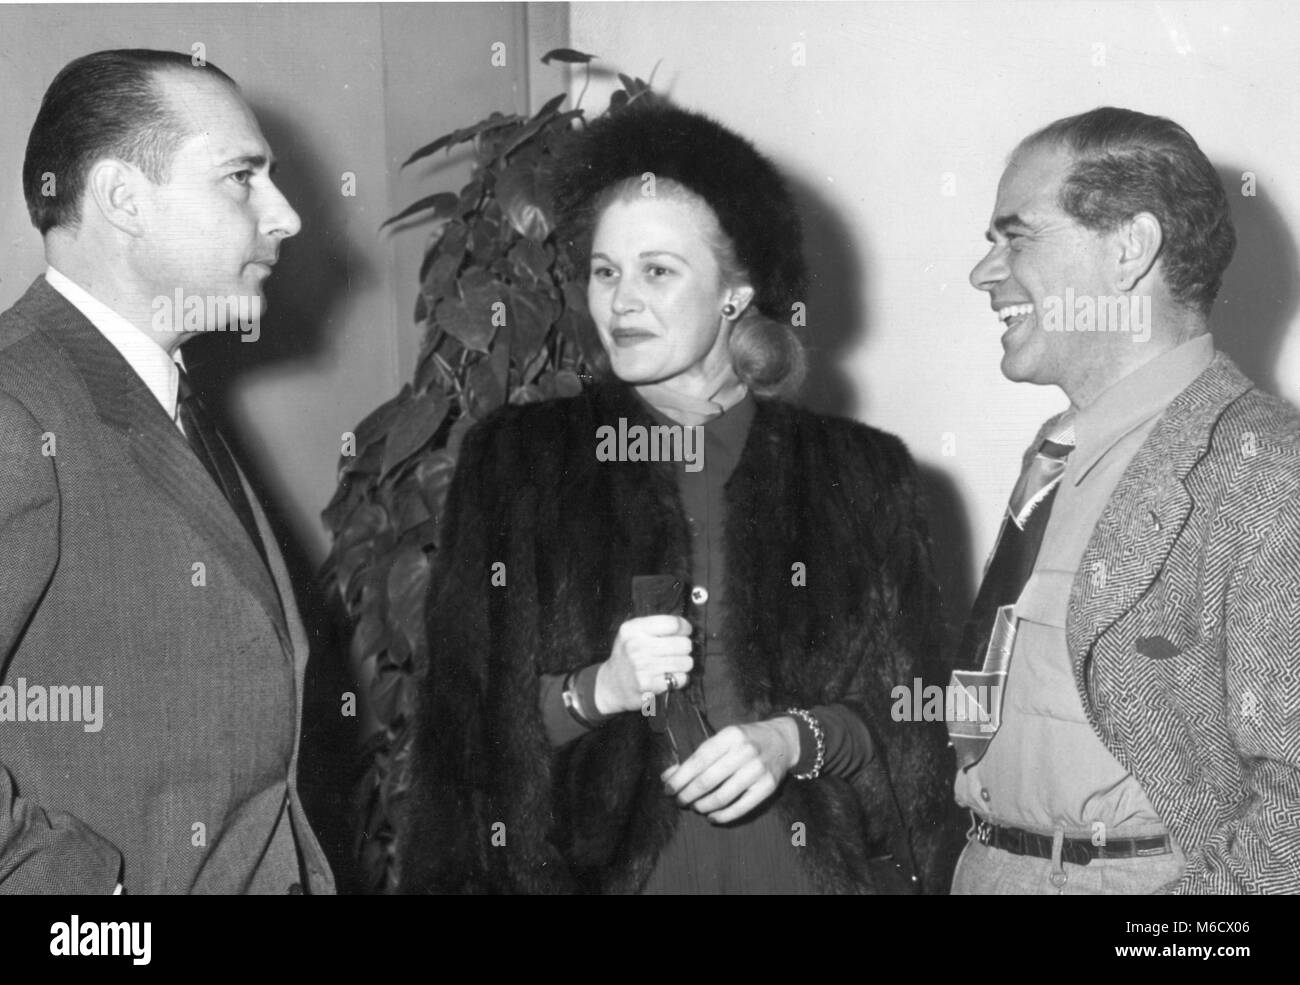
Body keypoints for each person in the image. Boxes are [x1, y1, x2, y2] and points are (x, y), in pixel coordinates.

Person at [399, 99, 959, 894]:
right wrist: (598, 690)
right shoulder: (518, 465)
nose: (620, 301)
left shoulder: (865, 477)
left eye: (657, 270)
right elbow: (462, 742)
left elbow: (914, 732)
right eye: (605, 271)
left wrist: (794, 739)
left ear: (736, 294)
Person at [0, 49, 334, 894]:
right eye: (241, 177)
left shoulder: (162, 390)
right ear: (123, 199)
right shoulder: (17, 402)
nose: (285, 215)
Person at [951, 106, 1300, 894]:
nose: (985, 273)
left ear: (1129, 249)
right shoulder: (1052, 455)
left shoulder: (1270, 470)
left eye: (1017, 236)